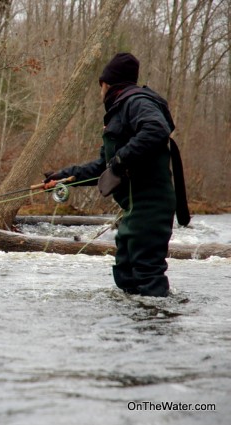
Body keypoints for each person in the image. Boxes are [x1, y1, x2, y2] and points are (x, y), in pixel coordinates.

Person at [42, 52, 189, 297]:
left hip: (151, 208)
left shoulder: (137, 102)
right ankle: (132, 330)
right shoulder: (120, 111)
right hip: (134, 211)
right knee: (126, 274)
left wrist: (121, 160)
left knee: (146, 274)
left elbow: (157, 129)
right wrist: (64, 176)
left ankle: (156, 327)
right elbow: (104, 167)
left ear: (106, 84)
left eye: (100, 86)